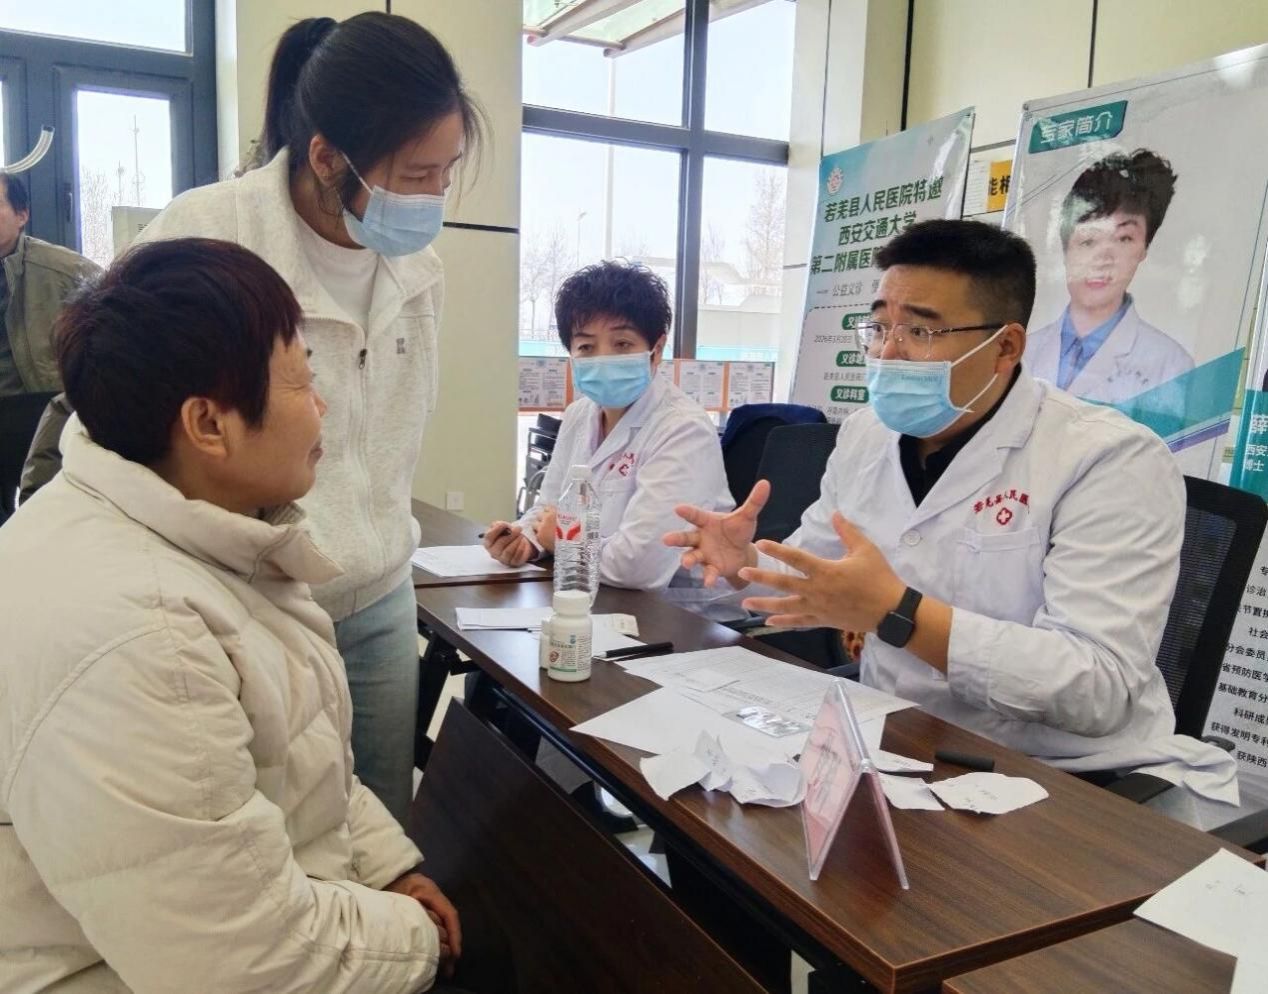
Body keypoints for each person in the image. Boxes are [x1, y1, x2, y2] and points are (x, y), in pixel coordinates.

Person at [0, 239, 472, 994]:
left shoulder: (177, 522)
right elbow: (240, 959)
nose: (321, 406)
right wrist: (417, 941)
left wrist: (386, 868)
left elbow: (294, 761)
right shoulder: (145, 637)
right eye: (302, 378)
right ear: (208, 425)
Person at [667, 219, 1237, 827]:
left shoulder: (1107, 458)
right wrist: (747, 564)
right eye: (880, 327)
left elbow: (1095, 688)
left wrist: (898, 613)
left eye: (920, 330)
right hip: (900, 742)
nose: (888, 352)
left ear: (1006, 347)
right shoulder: (867, 435)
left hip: (1070, 779)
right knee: (707, 832)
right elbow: (822, 571)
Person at [117, 13, 485, 825]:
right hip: (243, 595)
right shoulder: (210, 235)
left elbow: (391, 437)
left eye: (446, 172)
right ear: (326, 157)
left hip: (377, 596)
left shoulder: (418, 270)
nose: (433, 197)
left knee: (378, 826)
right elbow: (126, 414)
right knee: (260, 826)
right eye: (415, 174)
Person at [484, 260, 732, 599]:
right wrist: (525, 539)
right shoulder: (579, 414)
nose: (603, 358)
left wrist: (563, 538)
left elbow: (639, 565)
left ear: (656, 350)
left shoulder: (684, 430)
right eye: (586, 347)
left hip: (677, 612)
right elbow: (548, 508)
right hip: (593, 593)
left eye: (622, 344)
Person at [1028, 149, 1193, 402]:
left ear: (1144, 249)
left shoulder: (1172, 365)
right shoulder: (1023, 351)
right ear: (1065, 248)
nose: (1103, 259)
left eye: (1124, 238)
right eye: (1088, 240)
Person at [0, 173, 98, 522]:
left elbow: (123, 316)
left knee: (46, 514)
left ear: (22, 215)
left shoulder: (64, 270)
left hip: (39, 406)